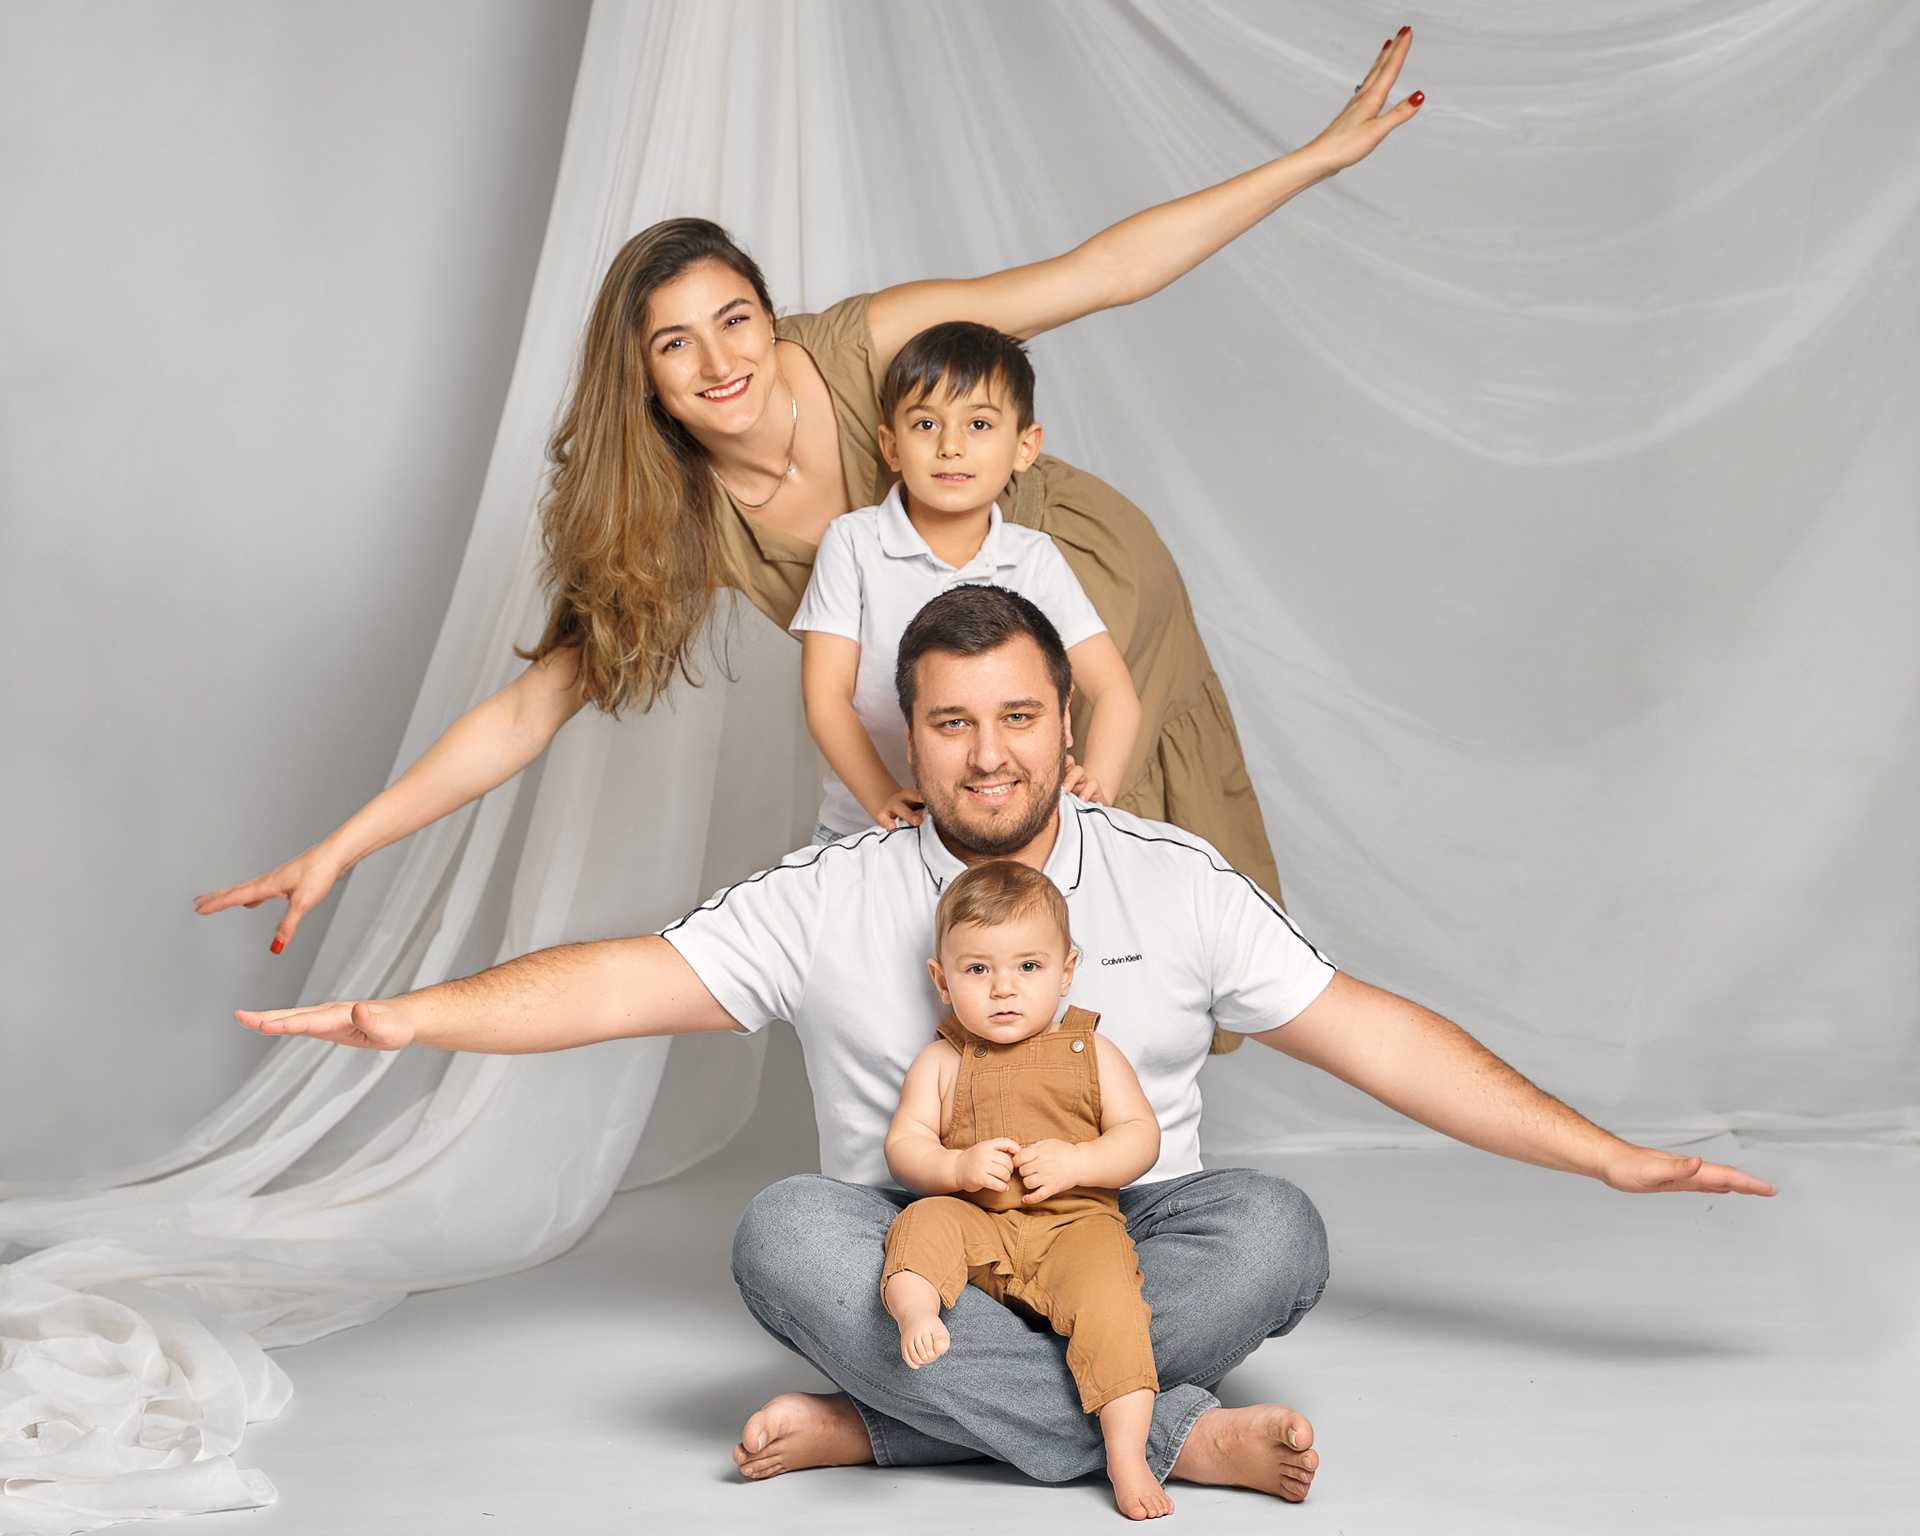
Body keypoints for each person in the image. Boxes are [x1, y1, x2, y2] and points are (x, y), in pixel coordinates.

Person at [235, 585, 1777, 1507]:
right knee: (783, 1236)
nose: (989, 755)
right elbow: (626, 980)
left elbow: (1369, 1030)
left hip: (1132, 1228)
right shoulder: (835, 890)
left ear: (1065, 726)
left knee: (1276, 1230)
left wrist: (1602, 1154)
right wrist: (415, 1014)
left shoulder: (1172, 876)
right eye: (953, 722)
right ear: (906, 736)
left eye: (1020, 717)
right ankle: (1170, 1437)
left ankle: (898, 1426)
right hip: (920, 1239)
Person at [196, 33, 1431, 1066]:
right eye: (676, 344)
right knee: (982, 927)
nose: (721, 360)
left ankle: (1091, 1175)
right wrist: (345, 844)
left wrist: (1314, 160)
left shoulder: (859, 349)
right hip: (943, 688)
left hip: (1077, 588)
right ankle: (996, 1179)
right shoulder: (675, 515)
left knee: (1092, 898)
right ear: (643, 379)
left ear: (767, 311)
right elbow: (530, 710)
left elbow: (1100, 274)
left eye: (735, 318)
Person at [883, 861, 1167, 1519]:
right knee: (922, 1221)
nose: (1003, 988)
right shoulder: (942, 1061)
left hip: (1075, 1229)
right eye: (978, 969)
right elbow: (905, 1146)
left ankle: (1127, 1453)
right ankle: (916, 1313)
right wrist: (955, 1169)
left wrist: (1080, 1161)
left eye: (1029, 967)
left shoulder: (1093, 1051)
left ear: (1066, 971)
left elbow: (1140, 1137)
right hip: (980, 1228)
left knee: (1115, 1308)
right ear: (942, 980)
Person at [793, 321, 1139, 839]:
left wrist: (1096, 794)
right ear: (891, 445)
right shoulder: (854, 543)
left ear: (1025, 447)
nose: (950, 446)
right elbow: (826, 695)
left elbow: (1114, 691)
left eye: (978, 424)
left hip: (1001, 837)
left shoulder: (1034, 558)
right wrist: (882, 796)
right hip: (867, 828)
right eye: (925, 424)